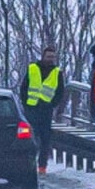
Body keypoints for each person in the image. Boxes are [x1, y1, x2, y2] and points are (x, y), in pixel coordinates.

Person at [19, 45, 65, 175]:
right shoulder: (32, 68)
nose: (50, 59)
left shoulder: (57, 72)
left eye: (52, 57)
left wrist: (53, 104)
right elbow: (24, 87)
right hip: (31, 108)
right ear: (43, 56)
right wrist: (25, 103)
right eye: (48, 56)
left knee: (45, 139)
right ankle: (29, 164)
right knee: (31, 138)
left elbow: (60, 91)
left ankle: (42, 167)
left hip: (46, 110)